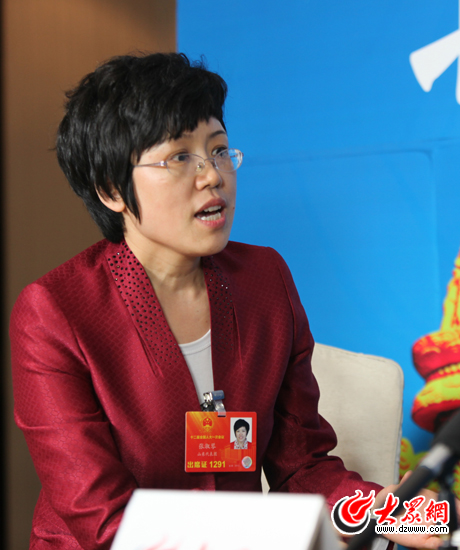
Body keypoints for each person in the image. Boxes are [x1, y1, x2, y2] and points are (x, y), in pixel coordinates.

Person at [10, 53, 451, 550]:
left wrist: (411, 518)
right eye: (180, 157)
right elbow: (105, 519)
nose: (212, 175)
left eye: (219, 150)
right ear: (112, 190)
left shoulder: (264, 279)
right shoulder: (54, 312)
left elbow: (302, 466)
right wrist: (274, 537)